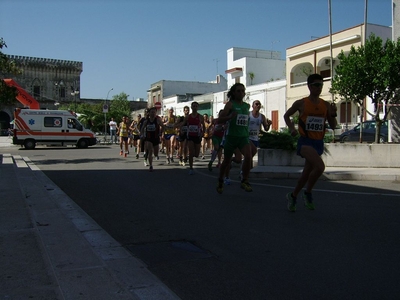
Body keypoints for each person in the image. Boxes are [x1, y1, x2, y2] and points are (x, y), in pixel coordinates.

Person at [283, 73, 337, 212]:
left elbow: (332, 125)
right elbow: (286, 115)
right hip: (305, 141)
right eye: (316, 85)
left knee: (306, 173)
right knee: (319, 167)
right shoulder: (301, 103)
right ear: (309, 86)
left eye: (321, 85)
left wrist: (333, 113)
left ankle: (293, 195)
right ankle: (308, 193)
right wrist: (291, 128)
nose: (319, 88)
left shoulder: (325, 105)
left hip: (318, 142)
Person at [216, 83, 253, 193]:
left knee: (248, 156)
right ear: (233, 93)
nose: (241, 93)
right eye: (238, 91)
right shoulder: (230, 105)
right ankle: (220, 180)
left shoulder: (247, 106)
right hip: (231, 137)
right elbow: (220, 119)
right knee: (226, 161)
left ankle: (244, 180)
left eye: (242, 91)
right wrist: (230, 117)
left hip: (243, 137)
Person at [181, 101, 205, 175]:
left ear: (197, 108)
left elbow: (203, 125)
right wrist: (181, 130)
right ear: (191, 107)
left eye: (196, 106)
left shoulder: (200, 117)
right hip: (190, 136)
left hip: (197, 136)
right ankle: (191, 168)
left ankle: (190, 158)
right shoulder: (188, 117)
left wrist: (203, 133)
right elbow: (183, 124)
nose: (194, 107)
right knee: (191, 152)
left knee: (196, 154)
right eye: (193, 106)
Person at [140, 107, 164, 171]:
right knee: (150, 151)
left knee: (156, 153)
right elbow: (142, 128)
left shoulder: (158, 120)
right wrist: (142, 134)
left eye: (154, 112)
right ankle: (151, 165)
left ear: (156, 113)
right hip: (148, 138)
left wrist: (161, 134)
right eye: (152, 112)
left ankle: (156, 155)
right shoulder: (146, 121)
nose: (153, 113)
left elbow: (163, 126)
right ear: (149, 113)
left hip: (156, 138)